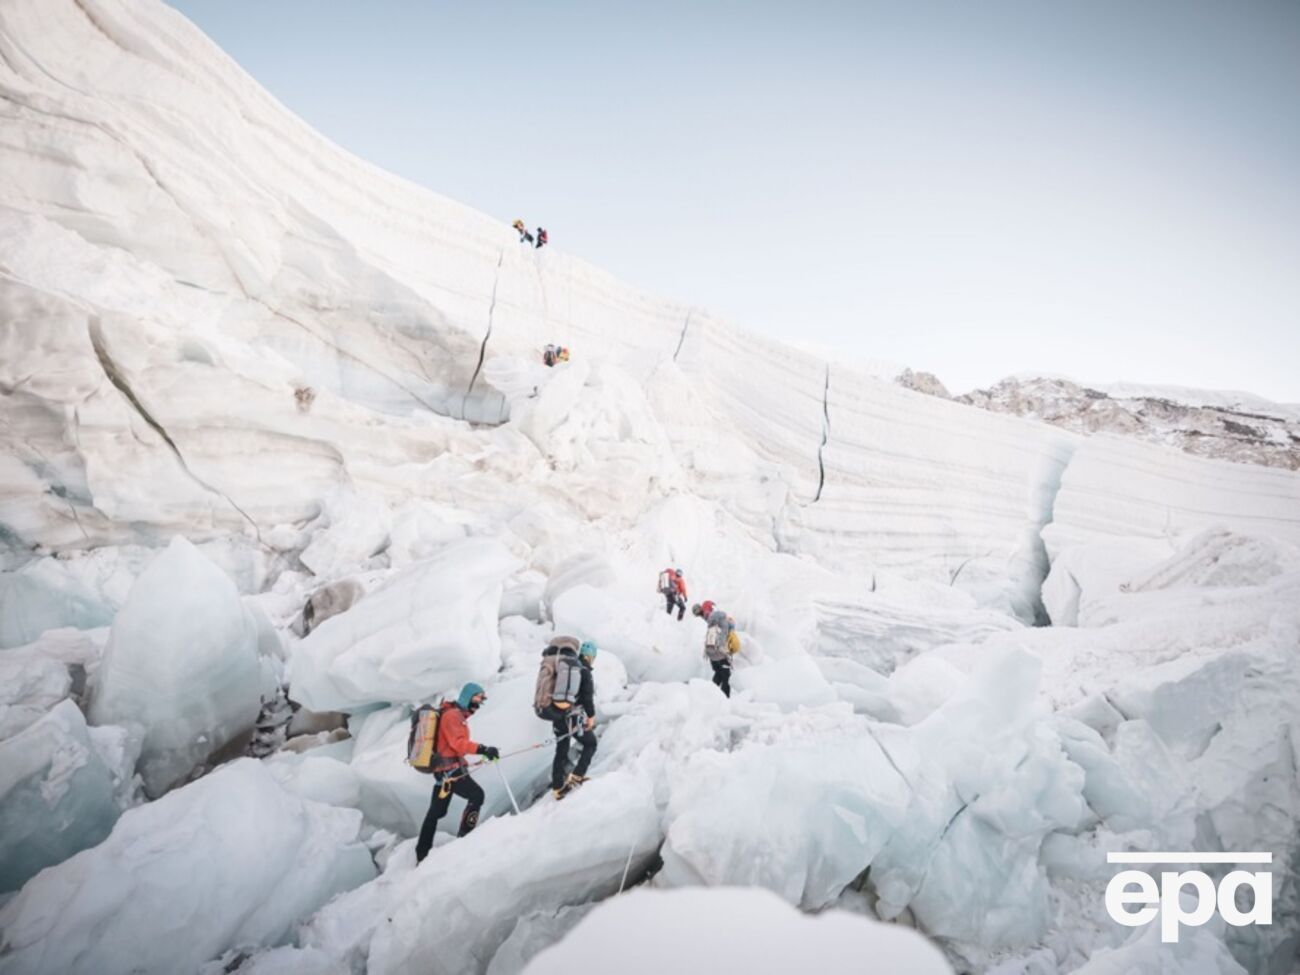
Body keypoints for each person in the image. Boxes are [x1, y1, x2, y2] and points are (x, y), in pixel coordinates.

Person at [414, 682, 500, 864]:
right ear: (468, 696)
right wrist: (483, 749)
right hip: (450, 771)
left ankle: (421, 853)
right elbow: (458, 743)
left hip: (444, 771)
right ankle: (465, 839)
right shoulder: (453, 716)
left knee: (435, 812)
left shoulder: (452, 713)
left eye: (482, 700)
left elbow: (452, 745)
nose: (480, 703)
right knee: (477, 795)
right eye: (478, 698)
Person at [536, 637, 598, 799]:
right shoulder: (584, 671)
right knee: (591, 743)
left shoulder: (565, 667)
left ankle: (557, 787)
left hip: (558, 715)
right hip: (573, 718)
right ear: (590, 656)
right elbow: (587, 698)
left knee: (562, 749)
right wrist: (591, 716)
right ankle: (577, 775)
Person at [697, 605, 735, 697]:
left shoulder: (712, 621)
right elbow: (729, 638)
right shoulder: (726, 623)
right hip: (720, 654)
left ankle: (710, 694)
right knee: (726, 678)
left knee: (718, 673)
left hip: (711, 654)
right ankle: (725, 698)